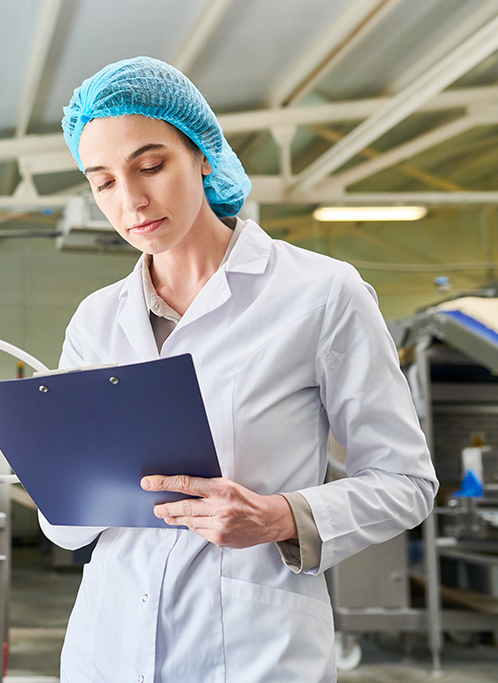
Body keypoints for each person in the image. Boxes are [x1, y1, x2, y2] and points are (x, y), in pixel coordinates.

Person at [40, 56, 438, 682]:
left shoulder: (321, 293)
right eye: (104, 182)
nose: (132, 200)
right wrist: (67, 485)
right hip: (108, 647)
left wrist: (279, 517)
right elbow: (63, 530)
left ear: (201, 154)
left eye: (150, 166)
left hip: (253, 652)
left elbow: (406, 481)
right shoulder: (96, 320)